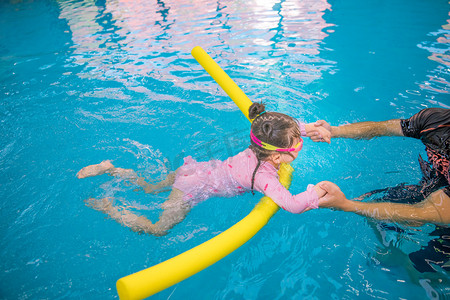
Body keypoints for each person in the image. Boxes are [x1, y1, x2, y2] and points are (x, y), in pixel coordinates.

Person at [77, 103, 330, 236]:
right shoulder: (263, 177)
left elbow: (277, 125)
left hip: (195, 170)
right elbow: (294, 205)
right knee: (158, 229)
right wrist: (316, 192)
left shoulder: (260, 139)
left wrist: (310, 128)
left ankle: (111, 169)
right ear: (277, 156)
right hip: (192, 189)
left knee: (150, 187)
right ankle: (110, 208)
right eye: (299, 142)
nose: (302, 142)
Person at [308, 107, 450, 273]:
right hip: (436, 185)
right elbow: (380, 128)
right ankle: (392, 248)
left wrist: (346, 205)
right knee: (378, 205)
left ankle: (413, 270)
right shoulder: (435, 120)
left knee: (422, 268)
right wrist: (334, 131)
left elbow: (418, 215)